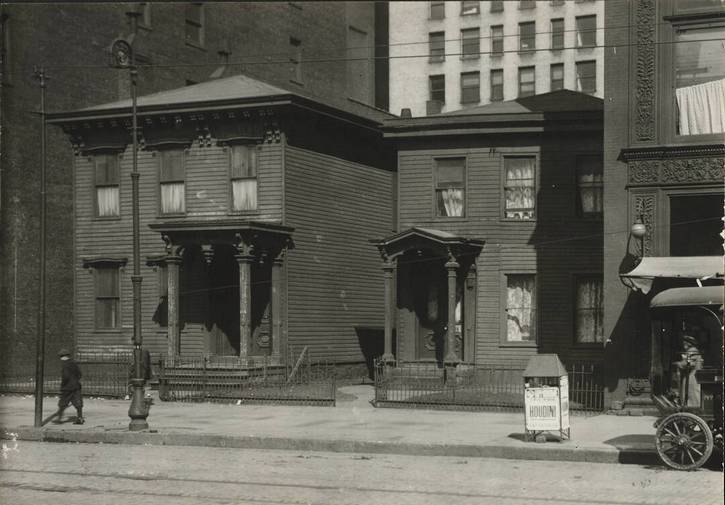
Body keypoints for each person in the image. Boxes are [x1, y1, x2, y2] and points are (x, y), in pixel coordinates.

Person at [54, 349, 84, 424]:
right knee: (78, 403)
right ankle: (80, 418)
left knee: (63, 403)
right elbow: (80, 374)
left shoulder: (64, 364)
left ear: (63, 357)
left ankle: (59, 419)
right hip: (76, 386)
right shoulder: (74, 363)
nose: (60, 358)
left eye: (60, 357)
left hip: (67, 387)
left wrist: (63, 384)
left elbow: (66, 376)